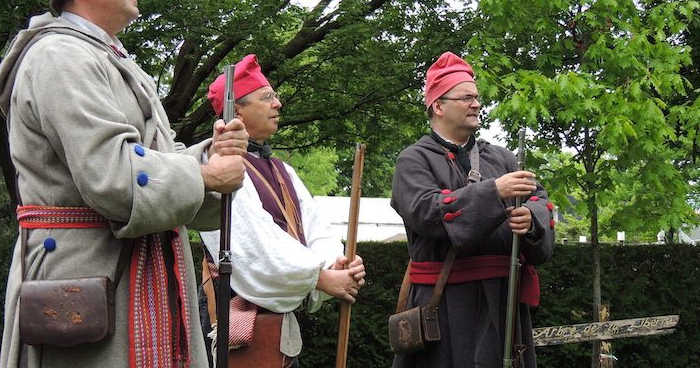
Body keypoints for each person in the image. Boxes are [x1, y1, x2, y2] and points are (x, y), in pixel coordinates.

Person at [0, 0, 248, 367]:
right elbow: (112, 176)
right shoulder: (60, 56)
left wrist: (211, 156)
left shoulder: (106, 57)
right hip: (85, 278)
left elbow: (151, 162)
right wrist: (204, 174)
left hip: (129, 275)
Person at [198, 54, 366, 366]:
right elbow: (256, 244)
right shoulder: (218, 166)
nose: (278, 104)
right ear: (236, 111)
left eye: (275, 96)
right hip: (238, 321)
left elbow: (316, 229)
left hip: (277, 328)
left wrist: (336, 263)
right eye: (267, 97)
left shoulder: (283, 170)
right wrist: (320, 278)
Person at [390, 52, 556, 368]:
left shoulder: (502, 159)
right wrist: (495, 192)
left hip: (501, 301)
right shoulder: (413, 161)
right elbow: (426, 212)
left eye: (477, 97)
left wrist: (531, 219)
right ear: (438, 105)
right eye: (466, 97)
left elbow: (541, 201)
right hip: (446, 306)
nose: (476, 104)